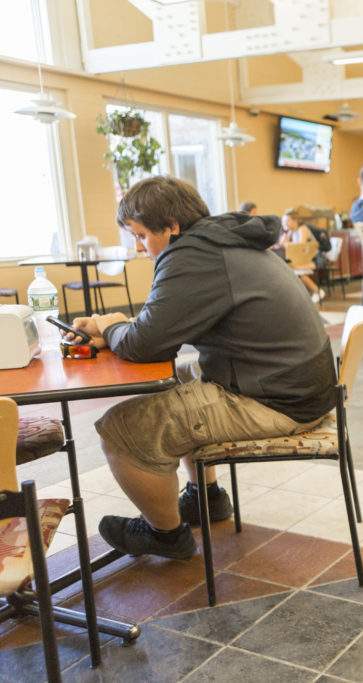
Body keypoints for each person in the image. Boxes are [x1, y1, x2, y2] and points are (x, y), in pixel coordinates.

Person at [65, 177, 336, 560]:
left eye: (141, 236)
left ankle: (166, 534)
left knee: (120, 432)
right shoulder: (224, 241)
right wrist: (117, 329)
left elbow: (146, 344)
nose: (140, 249)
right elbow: (160, 325)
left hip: (279, 400)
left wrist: (112, 326)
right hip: (299, 385)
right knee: (181, 383)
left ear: (172, 227)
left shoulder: (192, 254)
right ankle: (205, 498)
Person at [278, 207, 326, 303]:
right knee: (288, 268)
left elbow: (301, 248)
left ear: (295, 220)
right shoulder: (290, 232)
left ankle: (317, 291)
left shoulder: (302, 229)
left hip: (316, 258)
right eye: (283, 222)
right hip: (304, 259)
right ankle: (303, 294)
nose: (284, 224)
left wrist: (286, 243)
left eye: (287, 221)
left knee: (296, 269)